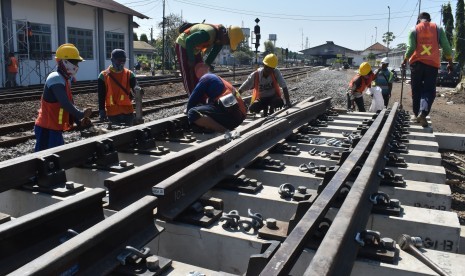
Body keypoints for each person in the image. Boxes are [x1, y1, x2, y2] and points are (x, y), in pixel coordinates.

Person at [34, 43, 92, 152]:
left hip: (54, 128)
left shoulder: (65, 79)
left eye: (77, 62)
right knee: (46, 161)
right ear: (63, 61)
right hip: (46, 128)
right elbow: (65, 103)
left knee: (55, 159)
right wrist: (80, 114)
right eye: (74, 62)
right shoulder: (55, 78)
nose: (76, 65)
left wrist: (79, 121)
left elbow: (70, 104)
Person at [402, 12, 454, 127]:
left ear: (418, 20)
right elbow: (446, 46)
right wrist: (450, 62)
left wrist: (405, 59)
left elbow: (411, 47)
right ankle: (423, 113)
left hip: (416, 64)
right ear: (429, 20)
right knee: (429, 91)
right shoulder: (438, 28)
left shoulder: (413, 29)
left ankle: (416, 115)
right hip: (432, 65)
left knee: (416, 90)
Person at [175, 23, 245, 96]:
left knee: (200, 72)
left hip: (194, 49)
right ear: (225, 35)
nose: (226, 44)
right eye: (228, 42)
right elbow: (189, 40)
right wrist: (191, 59)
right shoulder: (208, 34)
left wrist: (207, 65)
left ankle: (200, 96)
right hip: (183, 44)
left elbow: (213, 54)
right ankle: (192, 98)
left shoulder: (220, 39)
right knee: (188, 73)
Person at [187, 63, 247, 133]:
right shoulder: (216, 78)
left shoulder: (205, 78)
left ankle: (225, 131)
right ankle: (223, 128)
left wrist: (189, 118)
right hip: (239, 116)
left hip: (232, 117)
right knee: (204, 108)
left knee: (192, 112)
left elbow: (192, 100)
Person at [98, 49, 140, 126]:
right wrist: (101, 111)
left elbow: (135, 85)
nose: (121, 63)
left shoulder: (129, 74)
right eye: (119, 60)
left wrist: (137, 89)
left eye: (123, 61)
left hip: (128, 113)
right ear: (112, 60)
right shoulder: (103, 75)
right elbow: (101, 95)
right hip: (112, 114)